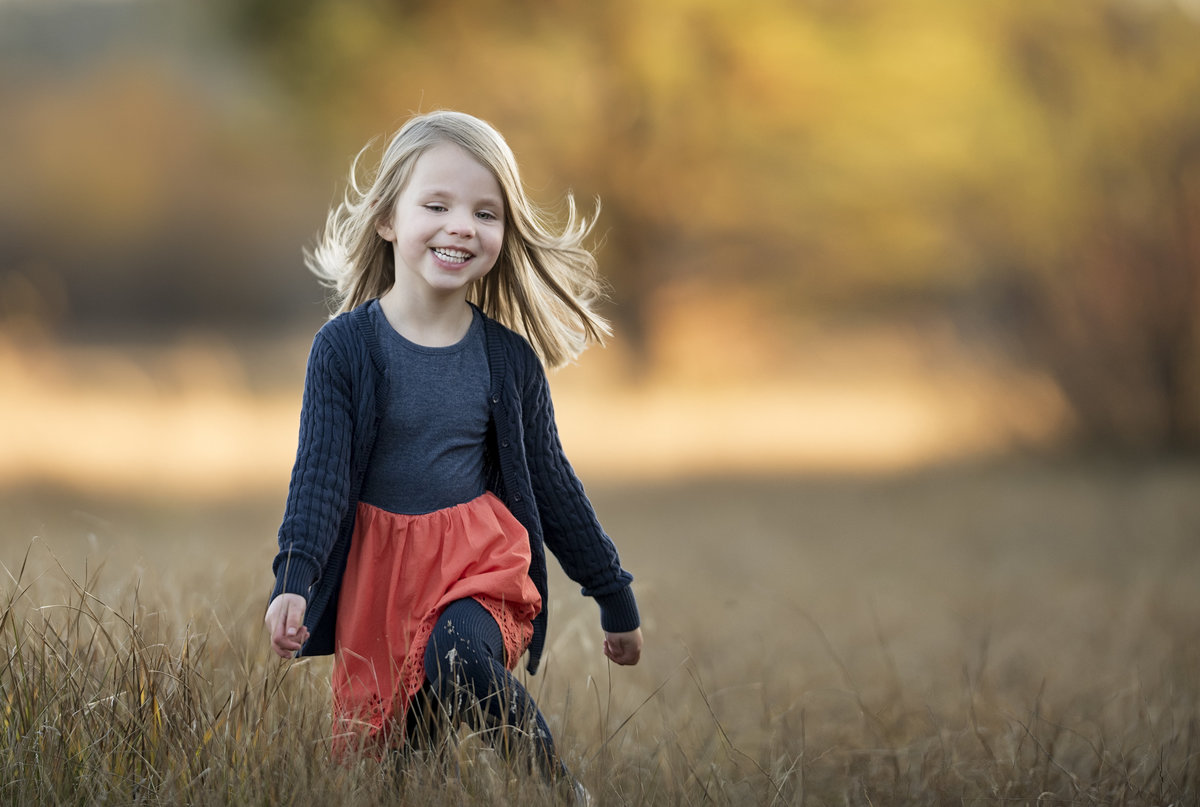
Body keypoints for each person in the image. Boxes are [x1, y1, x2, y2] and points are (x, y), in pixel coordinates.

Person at [263, 110, 643, 789]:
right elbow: (318, 477)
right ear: (389, 219)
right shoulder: (345, 349)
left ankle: (560, 793)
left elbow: (554, 486)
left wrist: (614, 595)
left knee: (462, 654)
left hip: (479, 566)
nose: (462, 225)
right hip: (381, 584)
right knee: (393, 772)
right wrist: (293, 578)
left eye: (485, 212)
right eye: (436, 204)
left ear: (504, 230)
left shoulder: (508, 360)